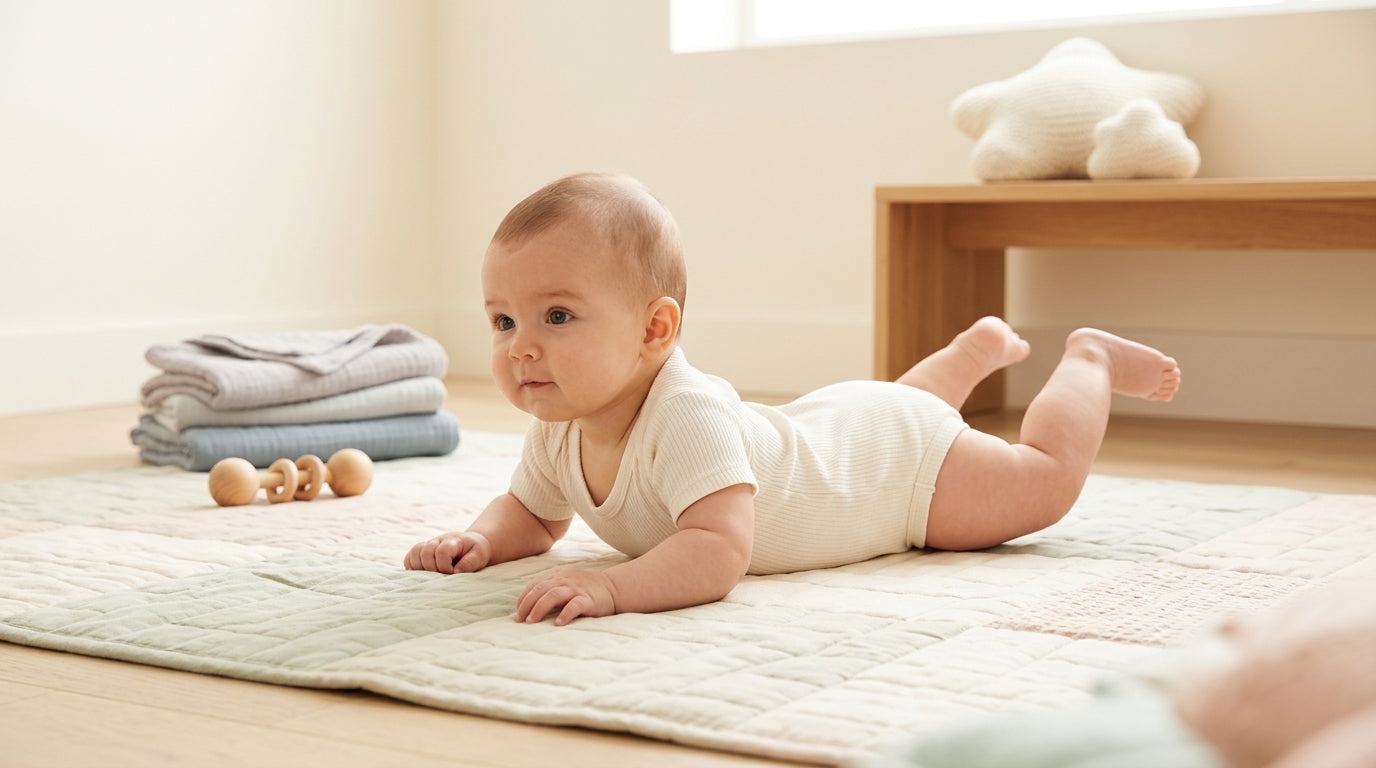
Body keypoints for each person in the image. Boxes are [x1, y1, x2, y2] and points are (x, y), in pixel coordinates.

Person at [405, 172, 1182, 626]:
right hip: (846, 422)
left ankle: (1088, 357)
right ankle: (965, 359)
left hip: (899, 471)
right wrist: (481, 539)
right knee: (879, 413)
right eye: (503, 321)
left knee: (1038, 481)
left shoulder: (685, 415)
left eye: (557, 316)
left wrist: (610, 585)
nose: (520, 348)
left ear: (654, 329)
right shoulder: (561, 416)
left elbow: (717, 552)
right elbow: (536, 515)